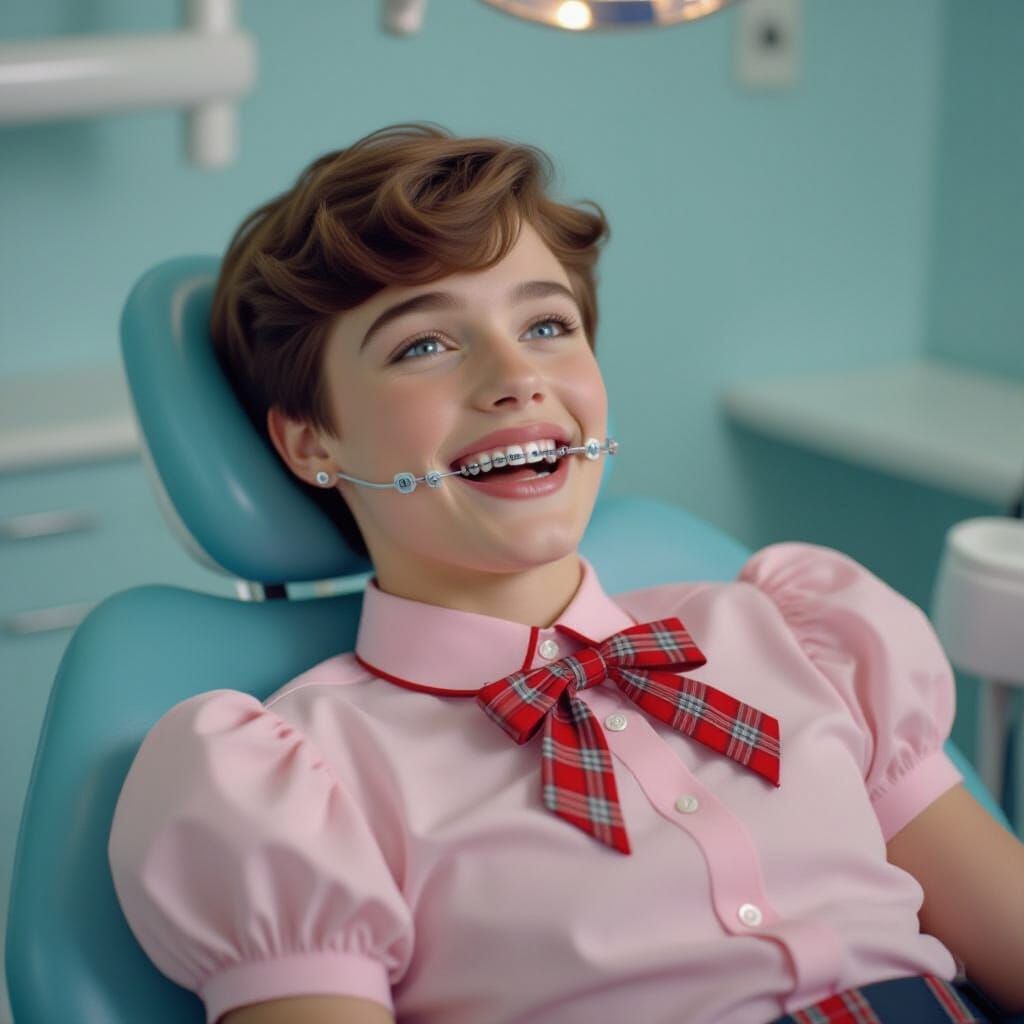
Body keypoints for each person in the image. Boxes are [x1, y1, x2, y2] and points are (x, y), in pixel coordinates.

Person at [107, 123, 1024, 1024]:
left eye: (547, 324)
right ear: (312, 443)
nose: (517, 377)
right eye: (423, 344)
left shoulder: (802, 634)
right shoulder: (297, 787)